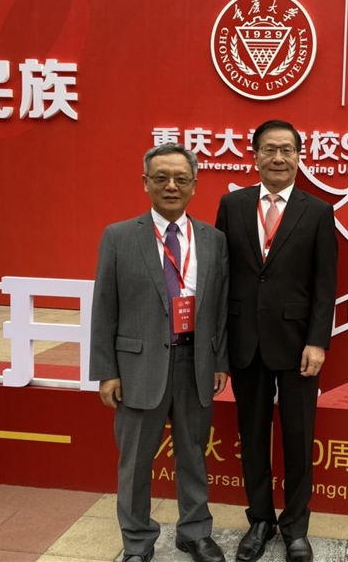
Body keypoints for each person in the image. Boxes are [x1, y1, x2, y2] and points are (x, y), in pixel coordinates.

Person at [90, 143, 230, 562]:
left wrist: (219, 360)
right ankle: (137, 542)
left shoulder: (213, 240)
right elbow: (104, 306)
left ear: (194, 185)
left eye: (181, 179)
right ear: (145, 182)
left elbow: (220, 307)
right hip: (138, 367)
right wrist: (107, 371)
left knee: (194, 454)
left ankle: (194, 532)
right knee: (135, 461)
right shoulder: (119, 236)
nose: (171, 186)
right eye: (161, 177)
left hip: (195, 363)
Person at [215, 120, 338, 562]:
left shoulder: (317, 211)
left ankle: (295, 527)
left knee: (299, 438)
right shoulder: (232, 205)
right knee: (252, 436)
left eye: (287, 149)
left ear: (300, 156)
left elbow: (325, 283)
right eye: (269, 149)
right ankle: (260, 520)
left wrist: (318, 341)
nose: (278, 158)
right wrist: (219, 345)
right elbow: (221, 276)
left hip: (297, 344)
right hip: (245, 341)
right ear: (255, 156)